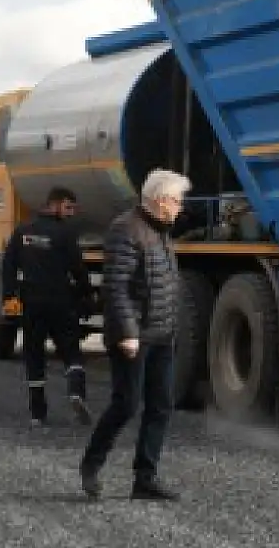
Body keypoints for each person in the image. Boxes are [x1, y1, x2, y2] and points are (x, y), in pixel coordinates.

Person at [79, 169, 191, 502]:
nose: (180, 207)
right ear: (160, 200)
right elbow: (116, 287)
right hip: (134, 337)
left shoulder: (161, 231)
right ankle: (91, 465)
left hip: (161, 335)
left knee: (161, 405)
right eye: (177, 200)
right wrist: (128, 333)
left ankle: (145, 479)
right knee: (126, 404)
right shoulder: (125, 230)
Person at [2, 186, 94, 426]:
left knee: (34, 354)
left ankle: (37, 413)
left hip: (31, 302)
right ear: (53, 205)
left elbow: (9, 268)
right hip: (61, 302)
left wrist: (10, 303)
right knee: (71, 351)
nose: (71, 213)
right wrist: (87, 296)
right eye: (68, 207)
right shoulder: (65, 234)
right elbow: (78, 269)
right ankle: (76, 393)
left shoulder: (22, 232)